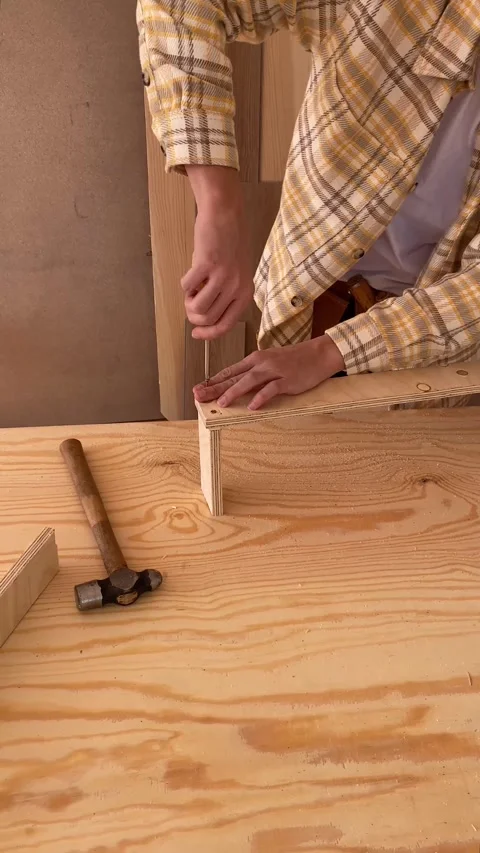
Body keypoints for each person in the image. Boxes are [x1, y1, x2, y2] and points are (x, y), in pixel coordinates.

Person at [138, 0, 480, 411]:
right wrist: (218, 208)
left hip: (443, 364)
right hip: (306, 313)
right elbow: (177, 7)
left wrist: (332, 352)